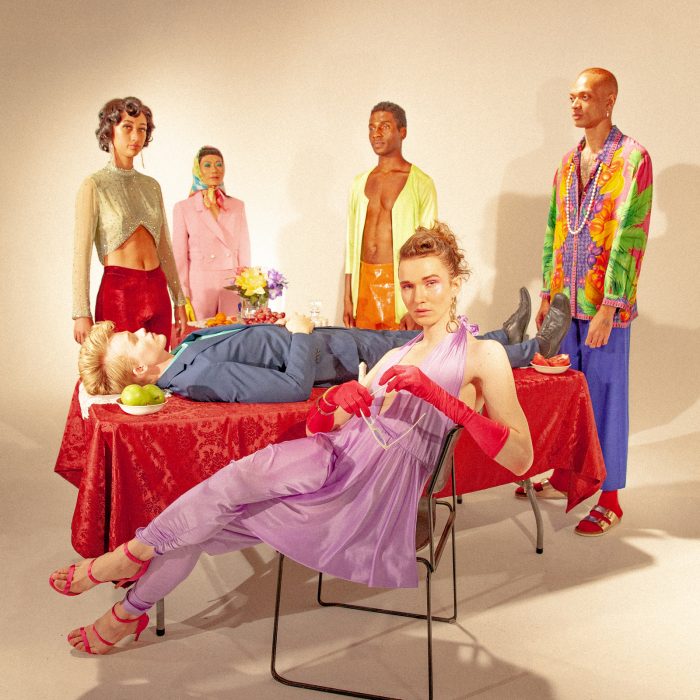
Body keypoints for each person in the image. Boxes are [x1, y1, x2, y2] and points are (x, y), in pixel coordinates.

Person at [50, 222, 533, 654]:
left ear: (455, 283)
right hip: (329, 459)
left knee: (214, 502)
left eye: (431, 282)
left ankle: (126, 562)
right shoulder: (397, 354)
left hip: (366, 494)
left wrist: (440, 398)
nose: (418, 297)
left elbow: (520, 458)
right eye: (407, 285)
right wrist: (334, 401)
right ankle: (127, 612)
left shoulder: (483, 356)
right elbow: (325, 427)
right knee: (206, 515)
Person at [526, 68, 653, 537]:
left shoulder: (634, 158)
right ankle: (565, 474)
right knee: (566, 394)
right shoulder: (566, 163)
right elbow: (554, 228)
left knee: (605, 396)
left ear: (609, 99)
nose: (575, 105)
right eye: (571, 97)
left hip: (605, 309)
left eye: (584, 96)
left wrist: (610, 308)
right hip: (564, 302)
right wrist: (547, 293)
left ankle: (610, 496)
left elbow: (631, 235)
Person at [78, 287, 572, 402]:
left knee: (422, 337)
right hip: (334, 358)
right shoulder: (196, 377)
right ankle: (533, 350)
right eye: (133, 341)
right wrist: (299, 334)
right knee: (433, 354)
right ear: (140, 372)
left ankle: (501, 336)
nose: (141, 332)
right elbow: (292, 388)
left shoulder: (187, 348)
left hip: (335, 341)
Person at [72, 97, 188, 347]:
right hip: (119, 293)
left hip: (157, 290)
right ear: (109, 130)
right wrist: (81, 312)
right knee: (122, 368)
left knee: (160, 365)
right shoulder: (94, 185)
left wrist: (179, 299)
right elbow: (81, 253)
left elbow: (164, 247)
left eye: (142, 129)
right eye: (127, 127)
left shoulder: (151, 186)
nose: (136, 136)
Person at [344, 102, 437, 331]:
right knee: (362, 351)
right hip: (363, 284)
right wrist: (347, 297)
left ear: (402, 132)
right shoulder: (358, 183)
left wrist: (418, 304)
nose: (376, 133)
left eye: (384, 127)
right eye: (371, 127)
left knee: (400, 351)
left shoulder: (421, 183)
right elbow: (351, 243)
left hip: (401, 286)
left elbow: (429, 249)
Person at [172, 146, 251, 320]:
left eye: (219, 164)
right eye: (207, 165)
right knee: (201, 334)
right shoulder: (184, 208)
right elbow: (179, 257)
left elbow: (244, 250)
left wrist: (247, 287)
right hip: (200, 288)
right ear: (198, 170)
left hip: (232, 285)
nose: (214, 170)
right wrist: (182, 296)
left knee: (232, 333)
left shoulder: (237, 206)